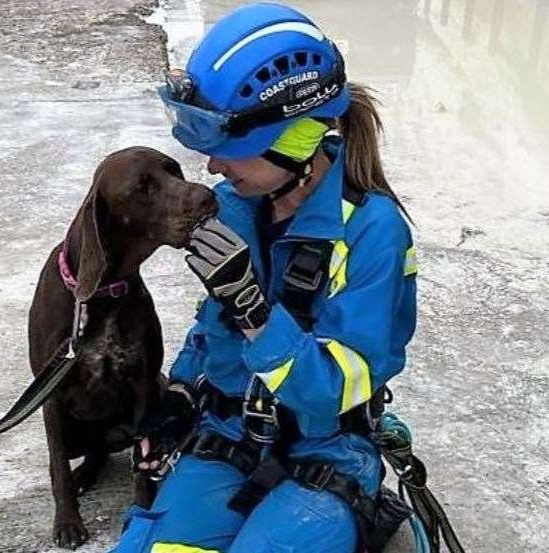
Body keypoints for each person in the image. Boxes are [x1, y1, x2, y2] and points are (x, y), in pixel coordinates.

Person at [112, 3, 417, 552]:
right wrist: (180, 392)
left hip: (325, 449)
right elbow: (210, 328)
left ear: (295, 140)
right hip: (229, 436)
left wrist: (255, 311)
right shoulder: (235, 207)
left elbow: (330, 394)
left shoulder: (373, 234)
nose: (213, 169)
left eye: (231, 152)